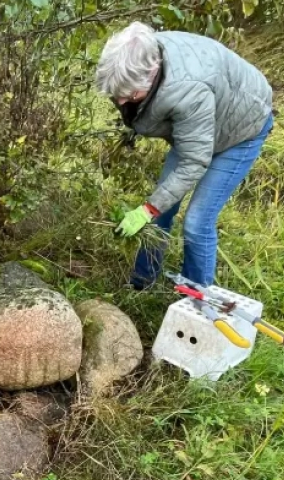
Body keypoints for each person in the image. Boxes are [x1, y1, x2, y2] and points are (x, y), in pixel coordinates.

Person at [95, 22, 273, 289]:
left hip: (240, 130)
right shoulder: (137, 56)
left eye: (129, 94)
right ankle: (141, 285)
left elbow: (194, 160)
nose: (122, 102)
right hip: (198, 126)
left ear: (151, 73)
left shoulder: (187, 90)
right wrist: (153, 209)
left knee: (197, 222)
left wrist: (148, 207)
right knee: (159, 210)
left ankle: (195, 302)